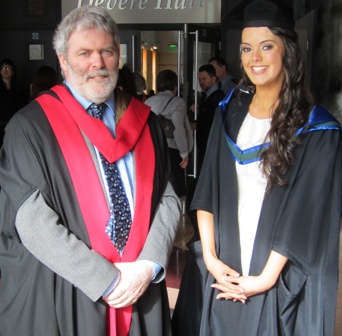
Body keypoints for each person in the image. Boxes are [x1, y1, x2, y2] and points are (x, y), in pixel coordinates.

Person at [0, 6, 181, 336]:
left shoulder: (145, 121)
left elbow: (168, 197)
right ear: (63, 61)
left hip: (139, 289)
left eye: (106, 51)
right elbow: (31, 219)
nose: (97, 63)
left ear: (118, 56)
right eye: (84, 53)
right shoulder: (30, 127)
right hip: (69, 289)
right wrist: (106, 279)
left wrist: (148, 265)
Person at [173, 0, 342, 335]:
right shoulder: (228, 113)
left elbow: (305, 215)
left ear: (287, 51)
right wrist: (210, 258)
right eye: (247, 48)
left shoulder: (317, 129)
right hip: (222, 265)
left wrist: (264, 279)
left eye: (267, 46)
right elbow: (207, 190)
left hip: (274, 276)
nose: (255, 58)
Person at [145, 69, 193, 198]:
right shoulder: (177, 102)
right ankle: (176, 215)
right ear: (174, 86)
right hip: (172, 150)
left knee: (158, 186)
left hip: (153, 149)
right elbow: (178, 128)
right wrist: (184, 153)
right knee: (176, 188)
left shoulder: (148, 102)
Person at [191, 63, 225, 176]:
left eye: (204, 79)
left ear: (213, 78)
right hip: (205, 144)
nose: (201, 82)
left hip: (212, 145)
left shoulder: (219, 98)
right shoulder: (207, 96)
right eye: (199, 79)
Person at [0, 58, 27, 145]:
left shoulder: (18, 89)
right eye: (3, 68)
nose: (5, 70)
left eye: (8, 68)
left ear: (13, 72)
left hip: (13, 125)